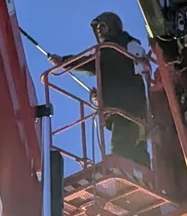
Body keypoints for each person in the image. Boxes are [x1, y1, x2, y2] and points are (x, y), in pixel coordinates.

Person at [61, 11, 151, 165]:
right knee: (136, 148)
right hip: (127, 109)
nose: (99, 30)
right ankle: (144, 178)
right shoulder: (110, 51)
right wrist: (101, 96)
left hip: (128, 108)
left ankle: (122, 173)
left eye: (102, 26)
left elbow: (90, 63)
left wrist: (64, 61)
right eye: (97, 28)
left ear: (113, 26)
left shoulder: (121, 46)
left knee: (122, 148)